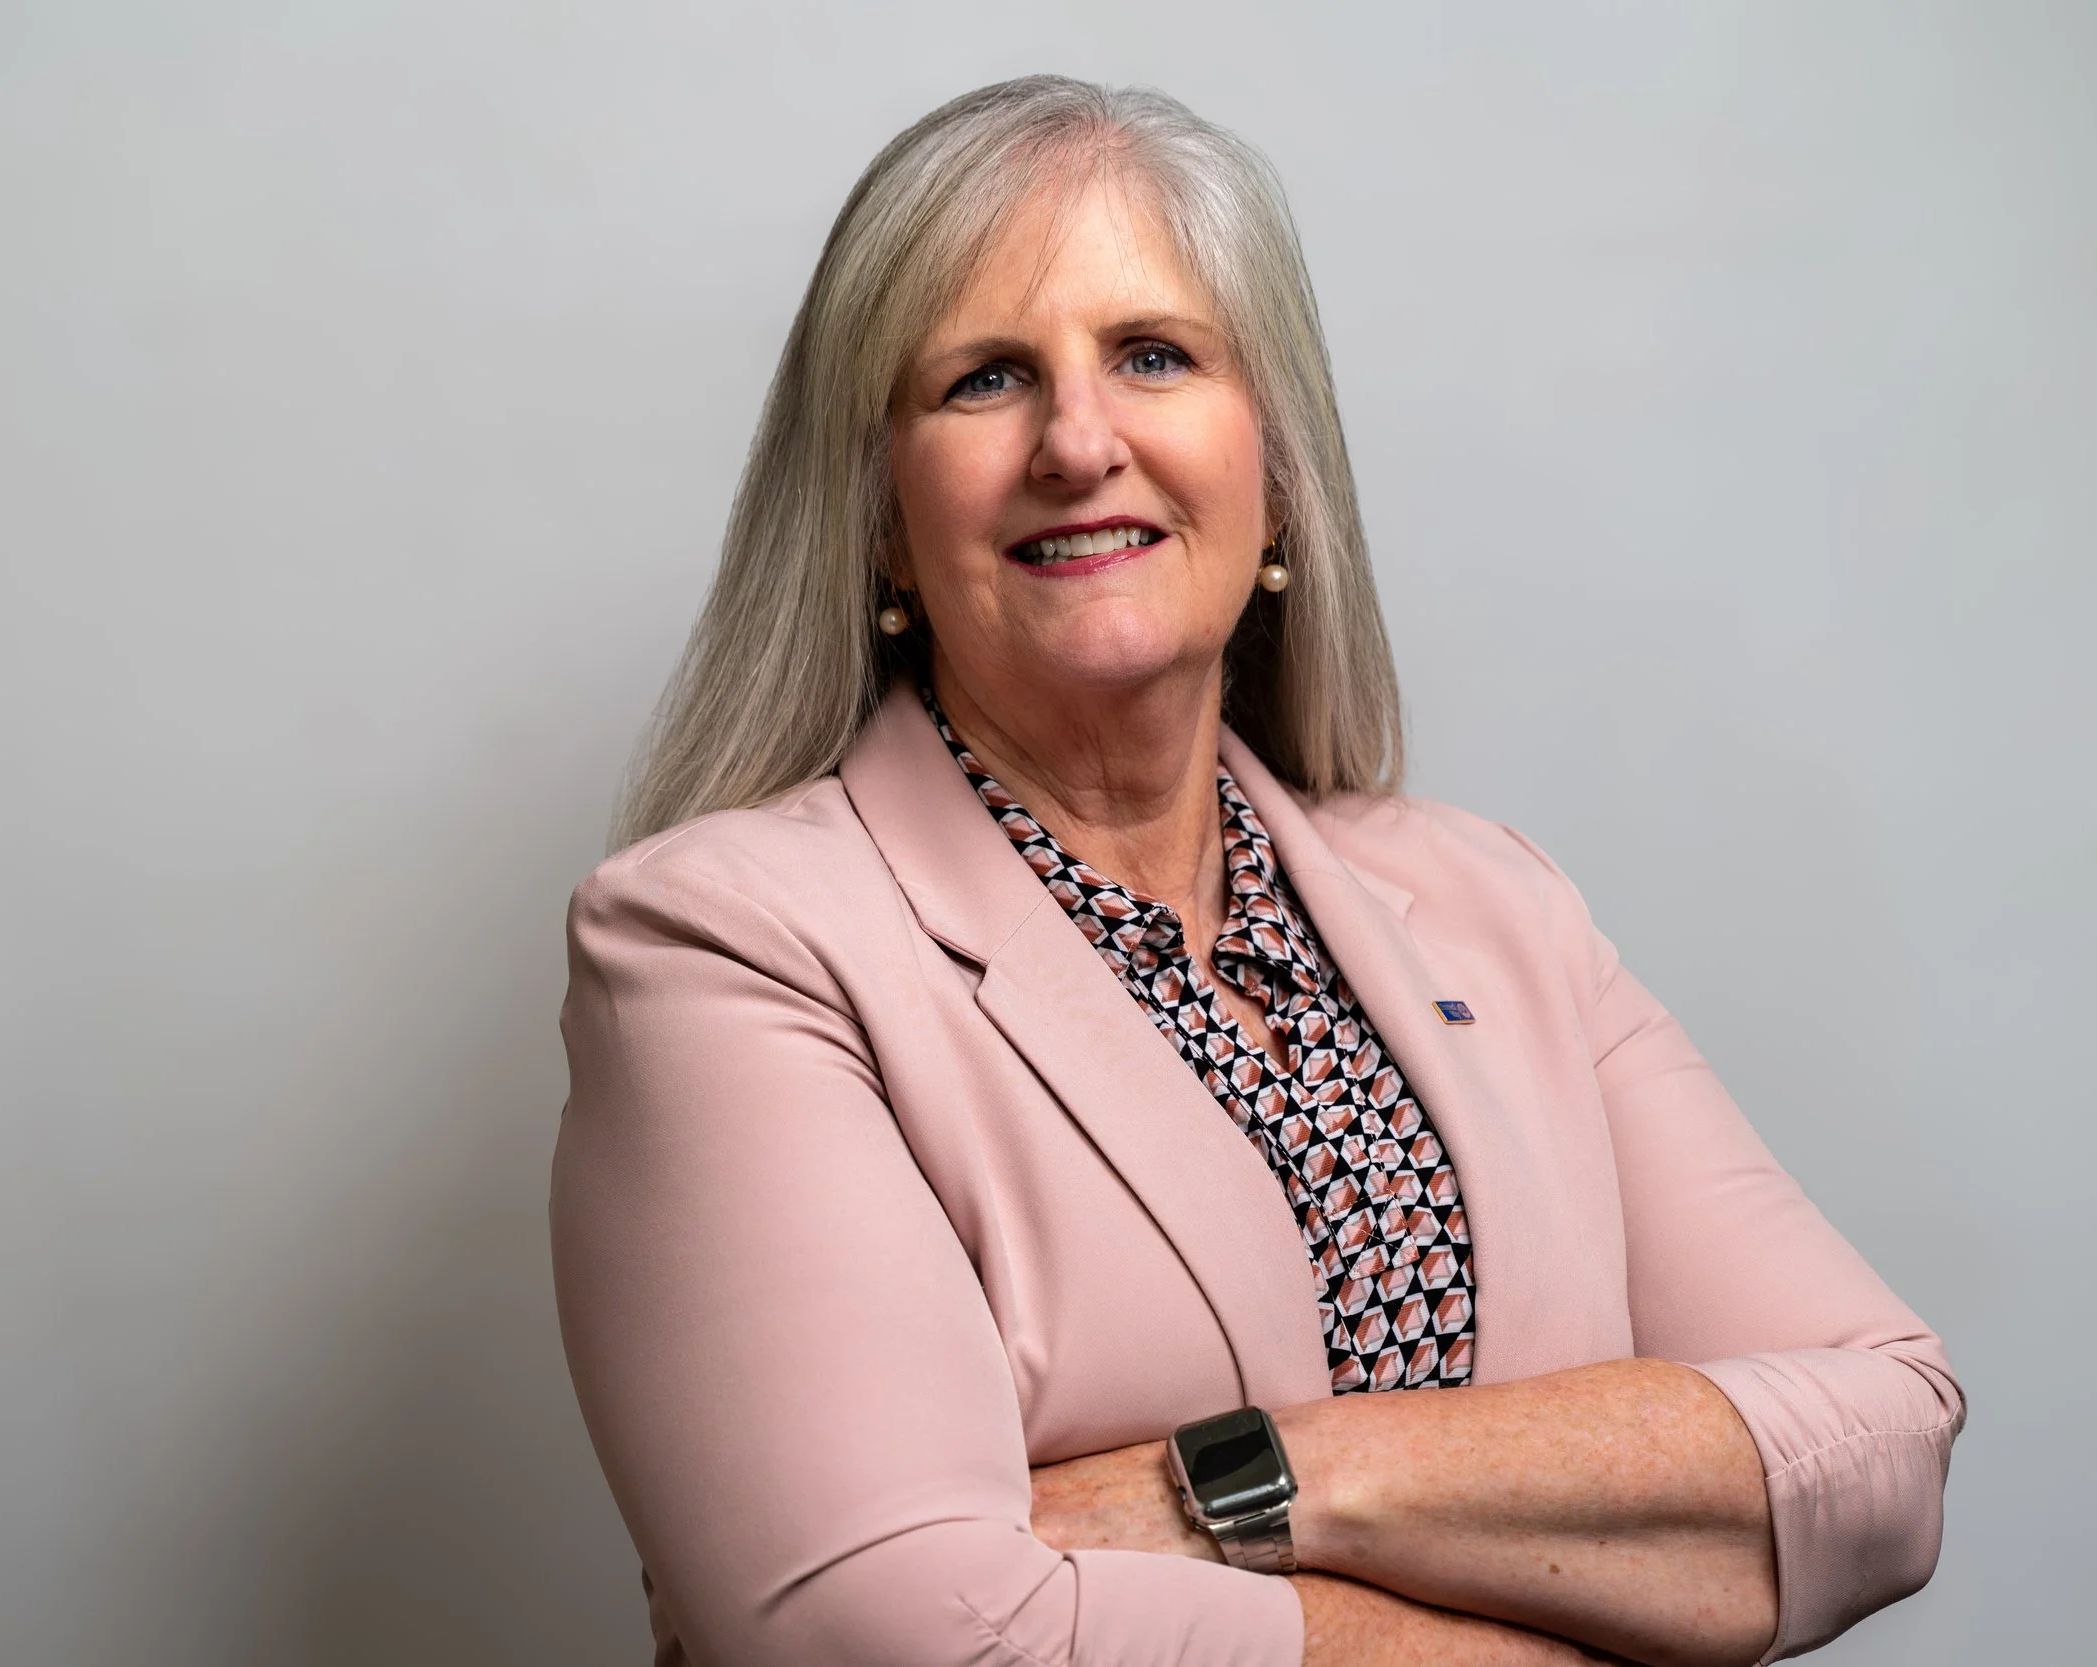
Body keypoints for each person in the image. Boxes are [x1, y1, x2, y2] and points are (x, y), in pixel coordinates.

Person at [549, 75, 1962, 1667]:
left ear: (1274, 464)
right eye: (984, 378)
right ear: (879, 519)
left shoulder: (1496, 901)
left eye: (1154, 354)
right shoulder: (726, 944)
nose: (1080, 442)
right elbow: (913, 1644)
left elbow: (1883, 1444)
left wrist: (1235, 1487)